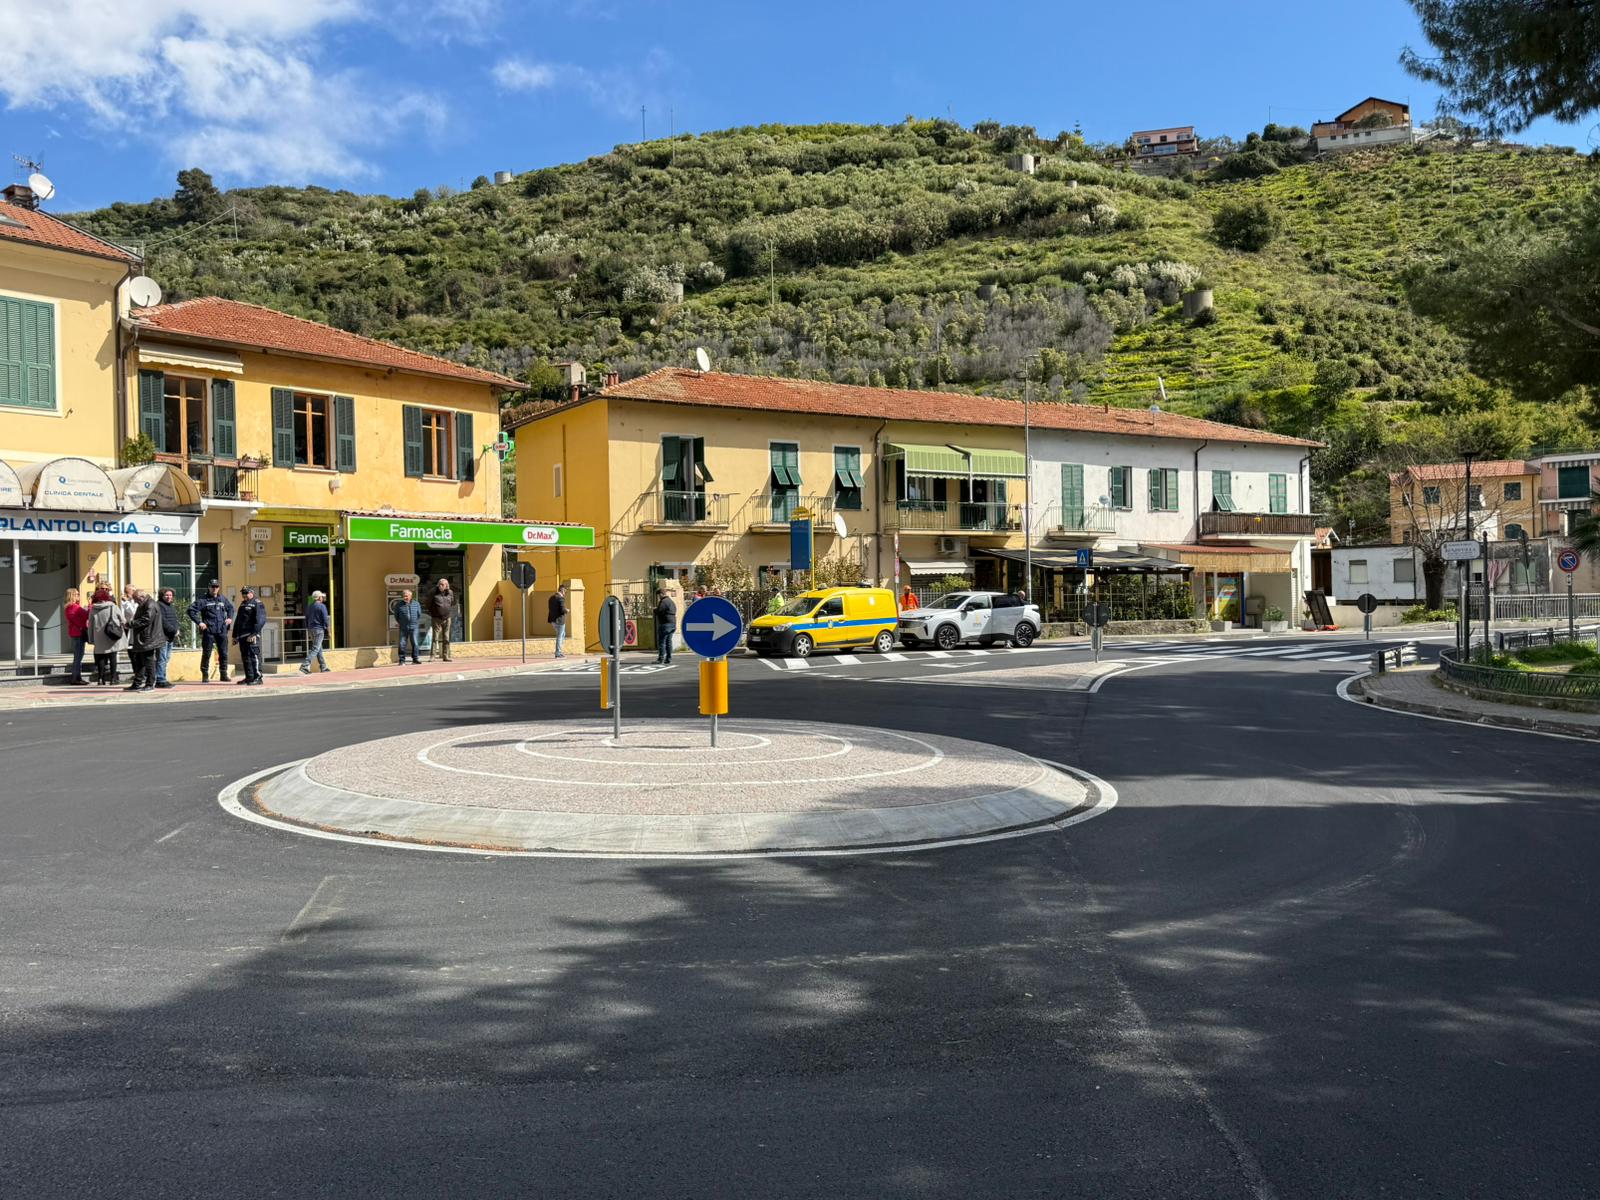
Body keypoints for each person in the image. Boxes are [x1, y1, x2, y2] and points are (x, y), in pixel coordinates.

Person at [186, 580, 234, 681]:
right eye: (213, 586)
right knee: (207, 653)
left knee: (223, 653)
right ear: (209, 587)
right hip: (209, 631)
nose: (214, 588)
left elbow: (230, 608)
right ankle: (205, 675)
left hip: (221, 630)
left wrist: (230, 618)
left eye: (216, 586)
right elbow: (191, 610)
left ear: (219, 588)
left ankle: (223, 674)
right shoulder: (203, 600)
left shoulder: (222, 599)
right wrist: (199, 622)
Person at [127, 587, 164, 692]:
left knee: (149, 661)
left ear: (141, 597)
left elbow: (146, 619)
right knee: (139, 661)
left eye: (135, 599)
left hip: (148, 638)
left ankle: (150, 684)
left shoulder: (150, 604)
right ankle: (137, 683)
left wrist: (130, 624)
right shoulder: (144, 604)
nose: (135, 601)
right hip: (143, 637)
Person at [88, 587, 126, 686]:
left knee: (101, 657)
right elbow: (123, 620)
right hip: (112, 635)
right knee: (113, 657)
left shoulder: (93, 609)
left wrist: (91, 639)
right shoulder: (113, 607)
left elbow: (90, 625)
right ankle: (113, 679)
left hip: (99, 637)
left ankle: (101, 679)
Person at [233, 586, 267, 685]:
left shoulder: (257, 603)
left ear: (252, 593)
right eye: (243, 593)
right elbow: (238, 620)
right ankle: (249, 677)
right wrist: (235, 636)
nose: (244, 595)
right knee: (245, 657)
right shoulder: (243, 604)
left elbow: (260, 620)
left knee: (253, 656)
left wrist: (254, 633)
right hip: (242, 635)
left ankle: (258, 678)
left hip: (251, 635)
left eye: (246, 593)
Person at [63, 587, 90, 685]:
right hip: (78, 633)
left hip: (76, 633)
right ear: (72, 596)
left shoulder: (70, 607)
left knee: (78, 656)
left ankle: (77, 678)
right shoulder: (74, 607)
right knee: (78, 657)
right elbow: (86, 615)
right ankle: (76, 678)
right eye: (77, 594)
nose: (79, 595)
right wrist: (90, 606)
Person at [300, 589, 331, 674]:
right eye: (321, 597)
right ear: (319, 597)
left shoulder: (309, 606)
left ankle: (323, 667)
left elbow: (306, 618)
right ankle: (305, 665)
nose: (322, 598)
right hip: (319, 630)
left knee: (318, 648)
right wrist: (329, 631)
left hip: (311, 629)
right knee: (316, 648)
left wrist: (308, 628)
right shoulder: (322, 606)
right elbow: (325, 620)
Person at [155, 587, 179, 688]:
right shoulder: (159, 605)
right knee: (162, 659)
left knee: (166, 658)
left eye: (170, 595)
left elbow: (174, 620)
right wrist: (174, 630)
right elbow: (163, 621)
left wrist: (177, 629)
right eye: (167, 595)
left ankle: (162, 677)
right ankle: (160, 679)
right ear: (162, 596)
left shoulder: (170, 606)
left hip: (170, 637)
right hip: (162, 637)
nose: (169, 597)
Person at [391, 588, 422, 664]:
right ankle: (402, 660)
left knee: (415, 643)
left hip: (414, 627)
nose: (405, 597)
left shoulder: (416, 604)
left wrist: (414, 622)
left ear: (410, 596)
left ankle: (415, 659)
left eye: (407, 596)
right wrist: (402, 623)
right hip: (403, 627)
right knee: (402, 643)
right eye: (404, 596)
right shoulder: (398, 605)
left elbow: (419, 614)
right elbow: (396, 616)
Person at [427, 578, 455, 662]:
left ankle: (445, 656)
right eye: (439, 584)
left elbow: (452, 602)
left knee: (446, 638)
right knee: (435, 638)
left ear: (446, 585)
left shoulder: (450, 592)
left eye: (442, 584)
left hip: (447, 618)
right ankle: (432, 656)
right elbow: (428, 604)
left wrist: (447, 612)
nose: (440, 586)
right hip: (436, 618)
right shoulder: (433, 592)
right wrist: (433, 613)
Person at [120, 584, 140, 680]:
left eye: (133, 591)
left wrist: (126, 602)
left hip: (134, 629)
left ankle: (139, 673)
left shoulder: (136, 602)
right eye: (130, 591)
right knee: (130, 653)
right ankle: (135, 672)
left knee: (136, 653)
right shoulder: (122, 601)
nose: (132, 593)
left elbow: (133, 613)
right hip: (126, 629)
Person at [654, 587, 677, 665]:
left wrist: (654, 610)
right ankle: (668, 659)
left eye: (658, 595)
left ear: (661, 594)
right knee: (668, 642)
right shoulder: (671, 601)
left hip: (665, 624)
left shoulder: (663, 602)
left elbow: (659, 611)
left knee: (662, 642)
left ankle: (660, 659)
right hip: (672, 624)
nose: (658, 597)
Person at [547, 584, 568, 658]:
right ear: (562, 590)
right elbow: (562, 610)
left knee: (562, 635)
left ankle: (559, 651)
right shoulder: (561, 598)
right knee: (559, 636)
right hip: (560, 621)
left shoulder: (551, 598)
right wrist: (566, 610)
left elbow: (551, 608)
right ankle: (558, 653)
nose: (565, 593)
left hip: (553, 620)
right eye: (565, 591)